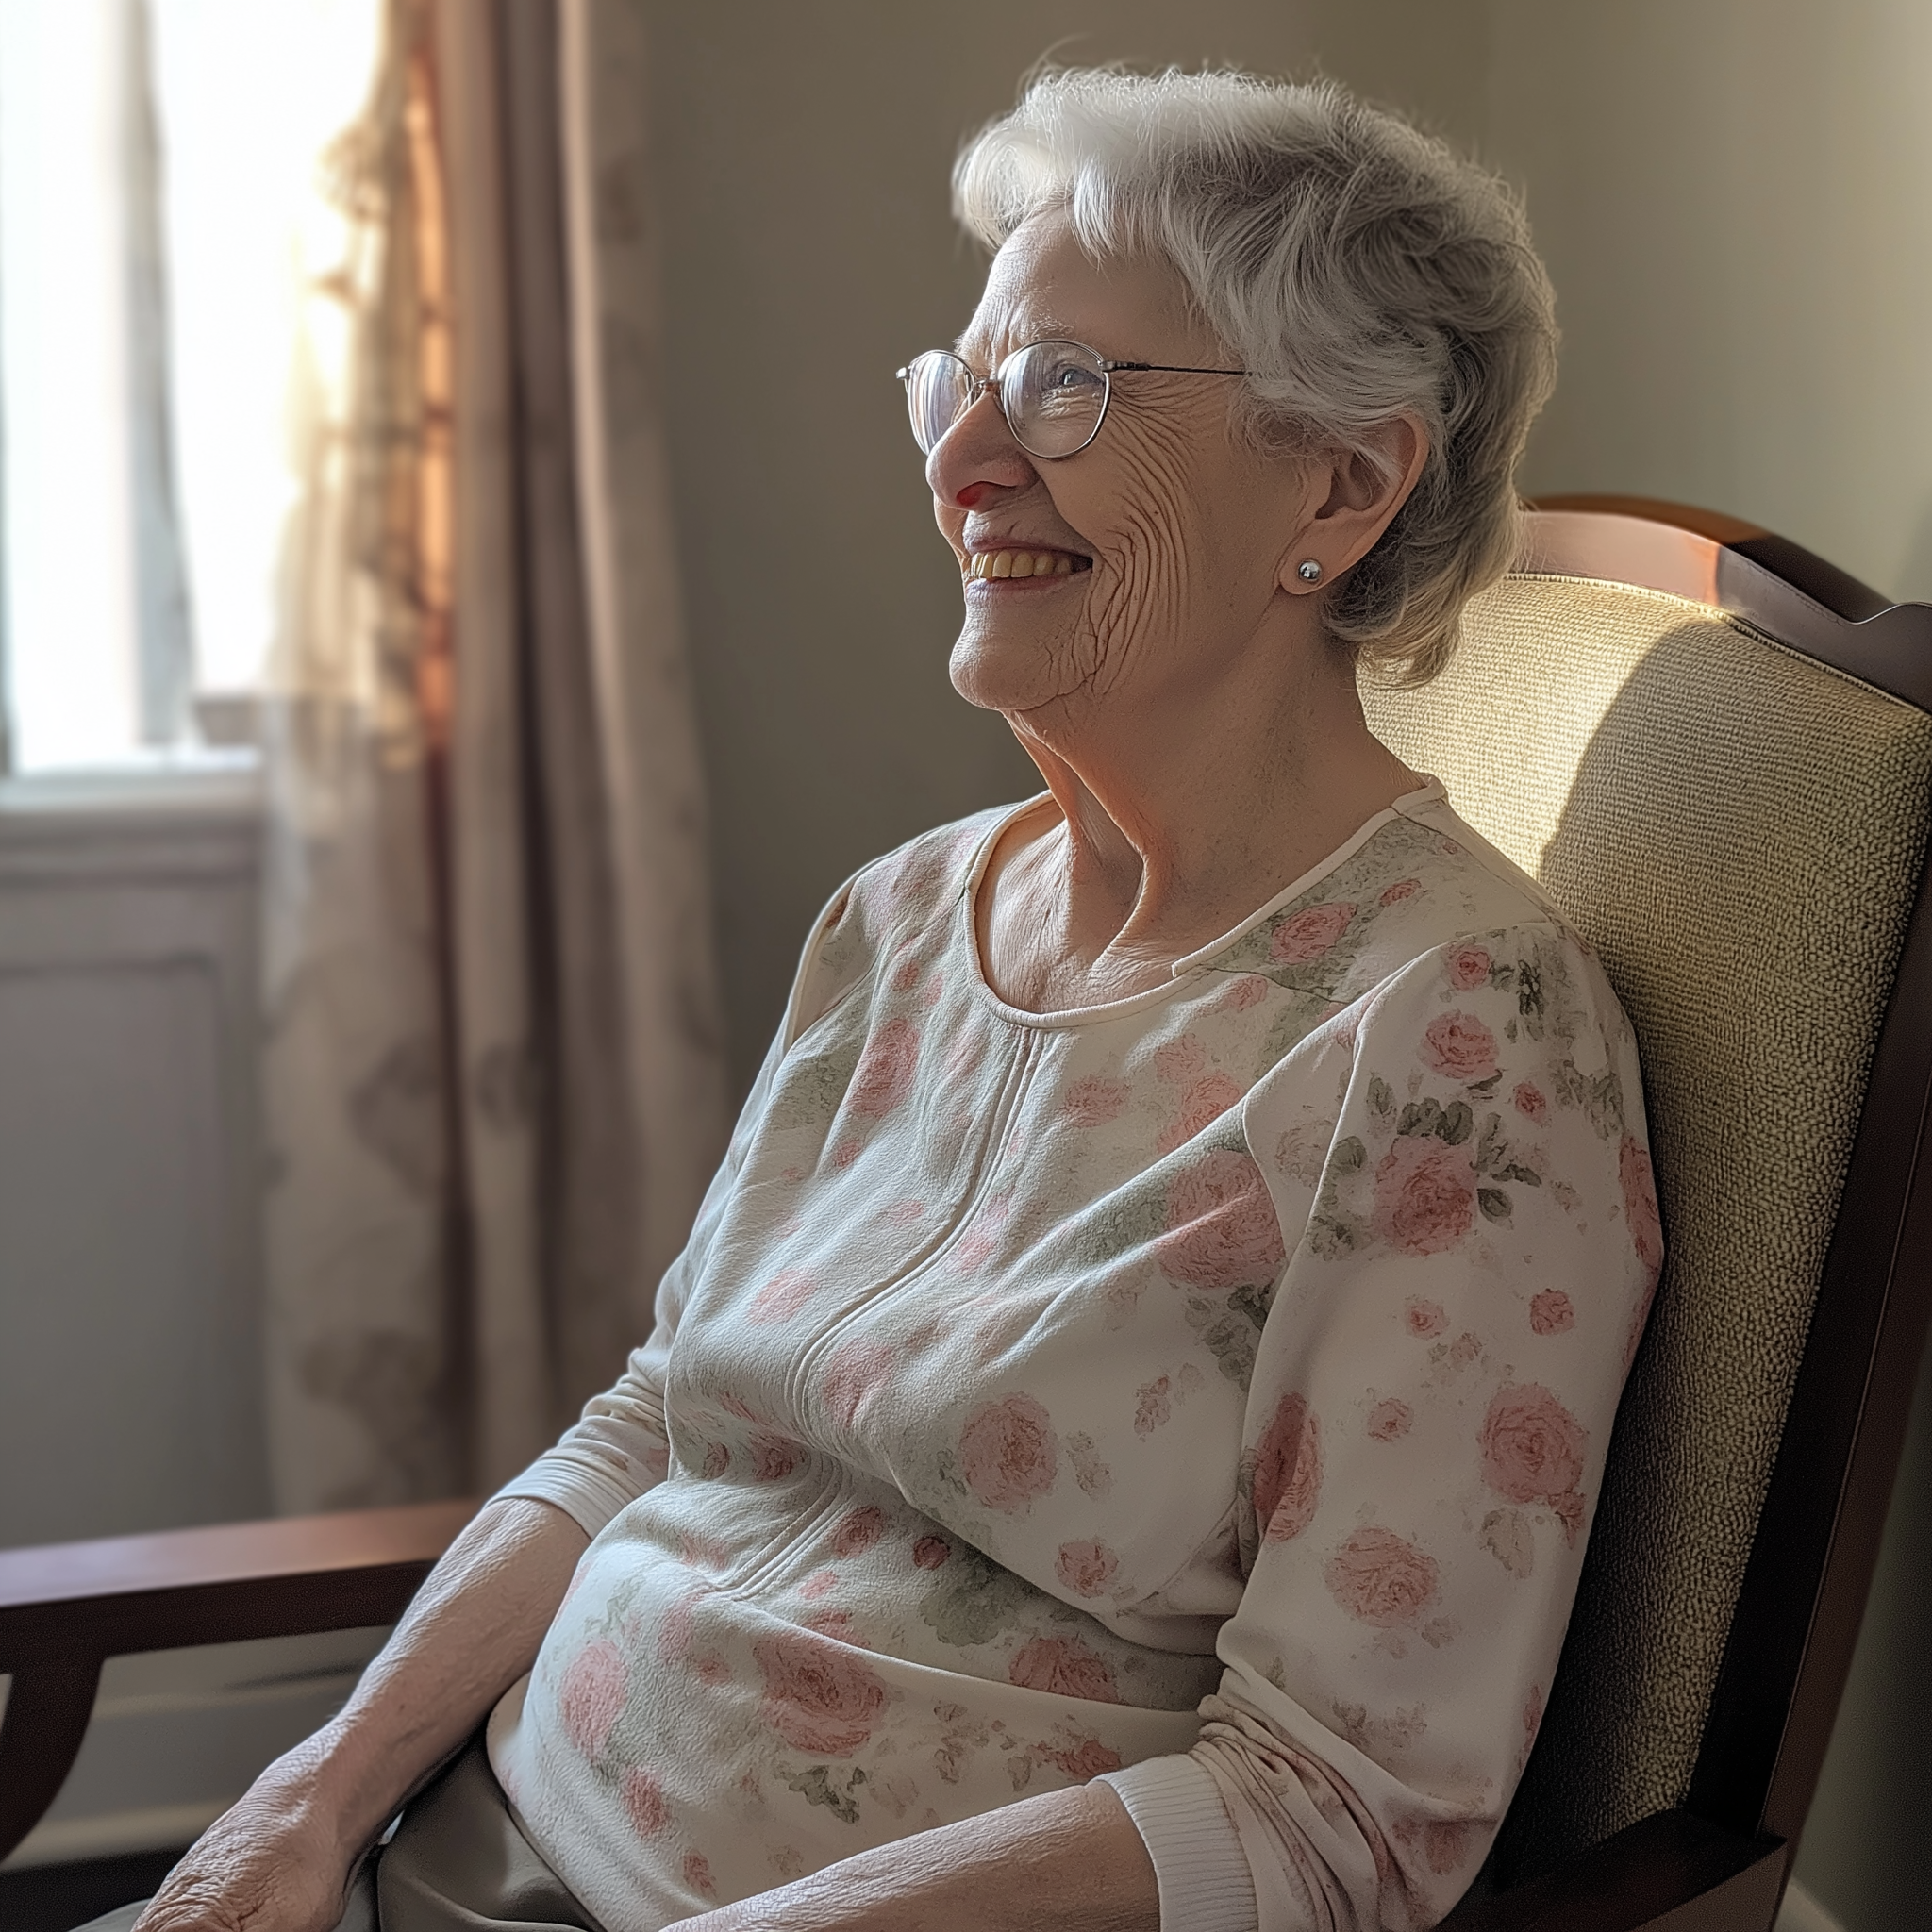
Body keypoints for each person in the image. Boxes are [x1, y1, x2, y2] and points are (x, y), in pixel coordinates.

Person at [114, 65, 1659, 1932]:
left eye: (1067, 388)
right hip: (442, 1838)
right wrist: (296, 1805)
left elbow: (1330, 1820)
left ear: (1339, 478)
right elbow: (654, 1425)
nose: (963, 457)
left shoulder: (1455, 1037)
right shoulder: (904, 918)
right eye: (963, 384)